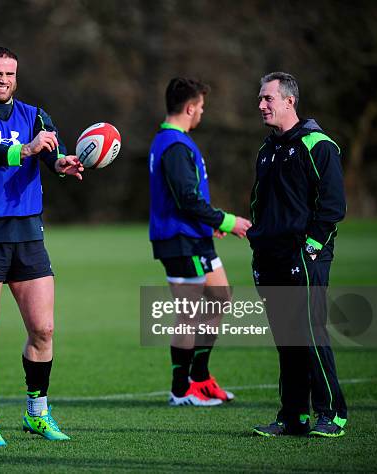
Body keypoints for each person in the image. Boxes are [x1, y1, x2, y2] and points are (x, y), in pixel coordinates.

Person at [0, 46, 83, 446]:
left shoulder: (36, 115)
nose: (3, 80)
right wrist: (26, 148)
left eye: (9, 74)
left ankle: (37, 413)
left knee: (44, 329)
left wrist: (61, 163)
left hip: (28, 233)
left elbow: (51, 156)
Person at [248, 72, 347, 437]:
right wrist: (258, 242)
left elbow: (333, 205)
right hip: (270, 258)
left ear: (290, 101)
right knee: (287, 341)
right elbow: (258, 203)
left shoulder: (319, 144)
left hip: (304, 257)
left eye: (268, 98)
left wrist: (312, 246)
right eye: (260, 98)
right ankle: (293, 416)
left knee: (310, 334)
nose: (261, 105)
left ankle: (332, 414)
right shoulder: (266, 149)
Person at [148, 77, 252, 407]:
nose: (202, 114)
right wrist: (227, 221)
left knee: (219, 299)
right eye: (202, 107)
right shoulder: (174, 145)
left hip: (195, 237)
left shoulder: (174, 141)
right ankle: (181, 390)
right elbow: (187, 199)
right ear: (190, 107)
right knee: (190, 314)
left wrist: (209, 225)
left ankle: (201, 378)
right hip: (179, 241)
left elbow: (190, 201)